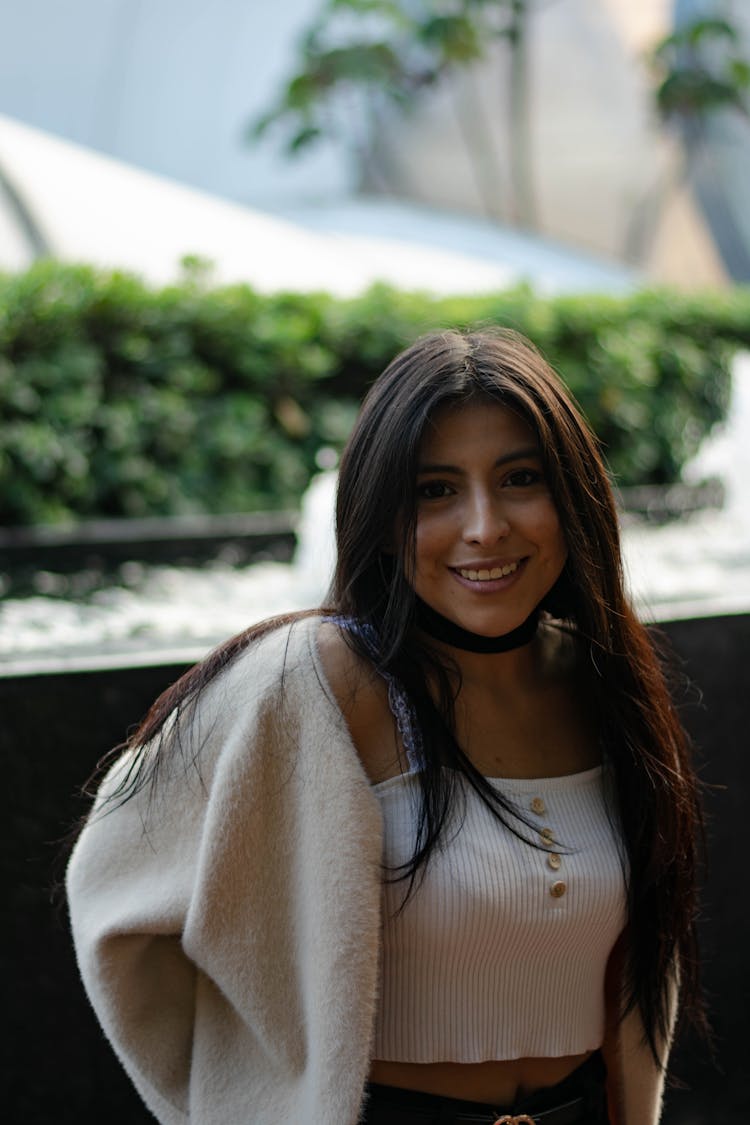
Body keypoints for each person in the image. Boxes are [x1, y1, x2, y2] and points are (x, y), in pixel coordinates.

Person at [66, 329, 703, 1125]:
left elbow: (638, 969)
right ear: (378, 511)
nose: (484, 526)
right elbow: (112, 900)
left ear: (574, 494)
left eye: (520, 478)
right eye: (435, 490)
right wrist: (234, 1100)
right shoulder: (305, 682)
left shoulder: (599, 681)